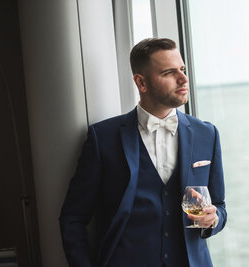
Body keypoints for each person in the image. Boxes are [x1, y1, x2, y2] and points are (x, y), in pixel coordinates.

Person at [59, 38, 227, 267]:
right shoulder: (103, 138)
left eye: (183, 69)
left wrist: (213, 218)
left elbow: (219, 206)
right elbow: (73, 218)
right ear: (141, 82)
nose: (183, 79)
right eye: (169, 73)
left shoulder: (206, 134)